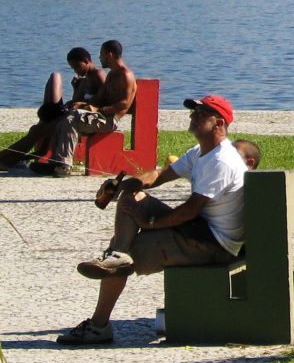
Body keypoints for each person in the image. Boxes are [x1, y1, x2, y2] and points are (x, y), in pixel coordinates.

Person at [56, 93, 246, 345]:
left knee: (124, 254)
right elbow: (159, 175)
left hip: (212, 244)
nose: (192, 116)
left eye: (201, 113)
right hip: (197, 231)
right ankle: (118, 255)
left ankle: (99, 323)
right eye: (193, 111)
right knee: (131, 197)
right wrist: (124, 184)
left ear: (219, 123)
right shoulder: (201, 152)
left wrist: (151, 225)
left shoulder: (221, 160)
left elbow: (190, 209)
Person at [0, 47, 106, 171]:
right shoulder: (85, 79)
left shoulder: (98, 74)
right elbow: (76, 101)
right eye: (73, 68)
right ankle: (2, 162)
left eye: (77, 66)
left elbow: (104, 101)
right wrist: (76, 89)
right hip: (72, 115)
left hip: (83, 119)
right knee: (36, 129)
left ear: (86, 61)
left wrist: (82, 104)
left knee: (37, 131)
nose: (76, 71)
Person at [31, 39, 137, 178]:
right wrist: (81, 105)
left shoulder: (125, 75)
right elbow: (99, 98)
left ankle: (64, 165)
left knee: (71, 120)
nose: (99, 58)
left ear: (109, 54)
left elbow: (124, 104)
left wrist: (98, 110)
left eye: (101, 54)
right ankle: (55, 162)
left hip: (110, 120)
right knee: (66, 117)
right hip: (100, 116)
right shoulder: (112, 74)